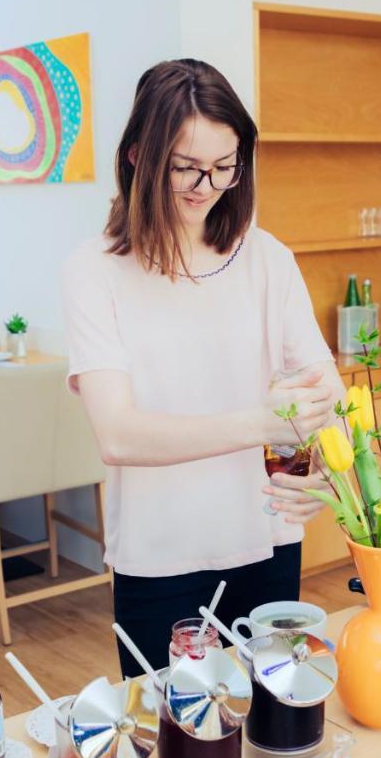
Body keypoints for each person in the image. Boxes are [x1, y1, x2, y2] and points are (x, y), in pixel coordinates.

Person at [61, 59, 342, 676]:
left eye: (224, 166)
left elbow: (326, 387)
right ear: (138, 154)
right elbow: (119, 434)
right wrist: (262, 424)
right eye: (185, 167)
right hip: (158, 556)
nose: (206, 185)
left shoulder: (266, 258)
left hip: (265, 541)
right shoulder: (96, 270)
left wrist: (329, 471)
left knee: (271, 718)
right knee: (176, 741)